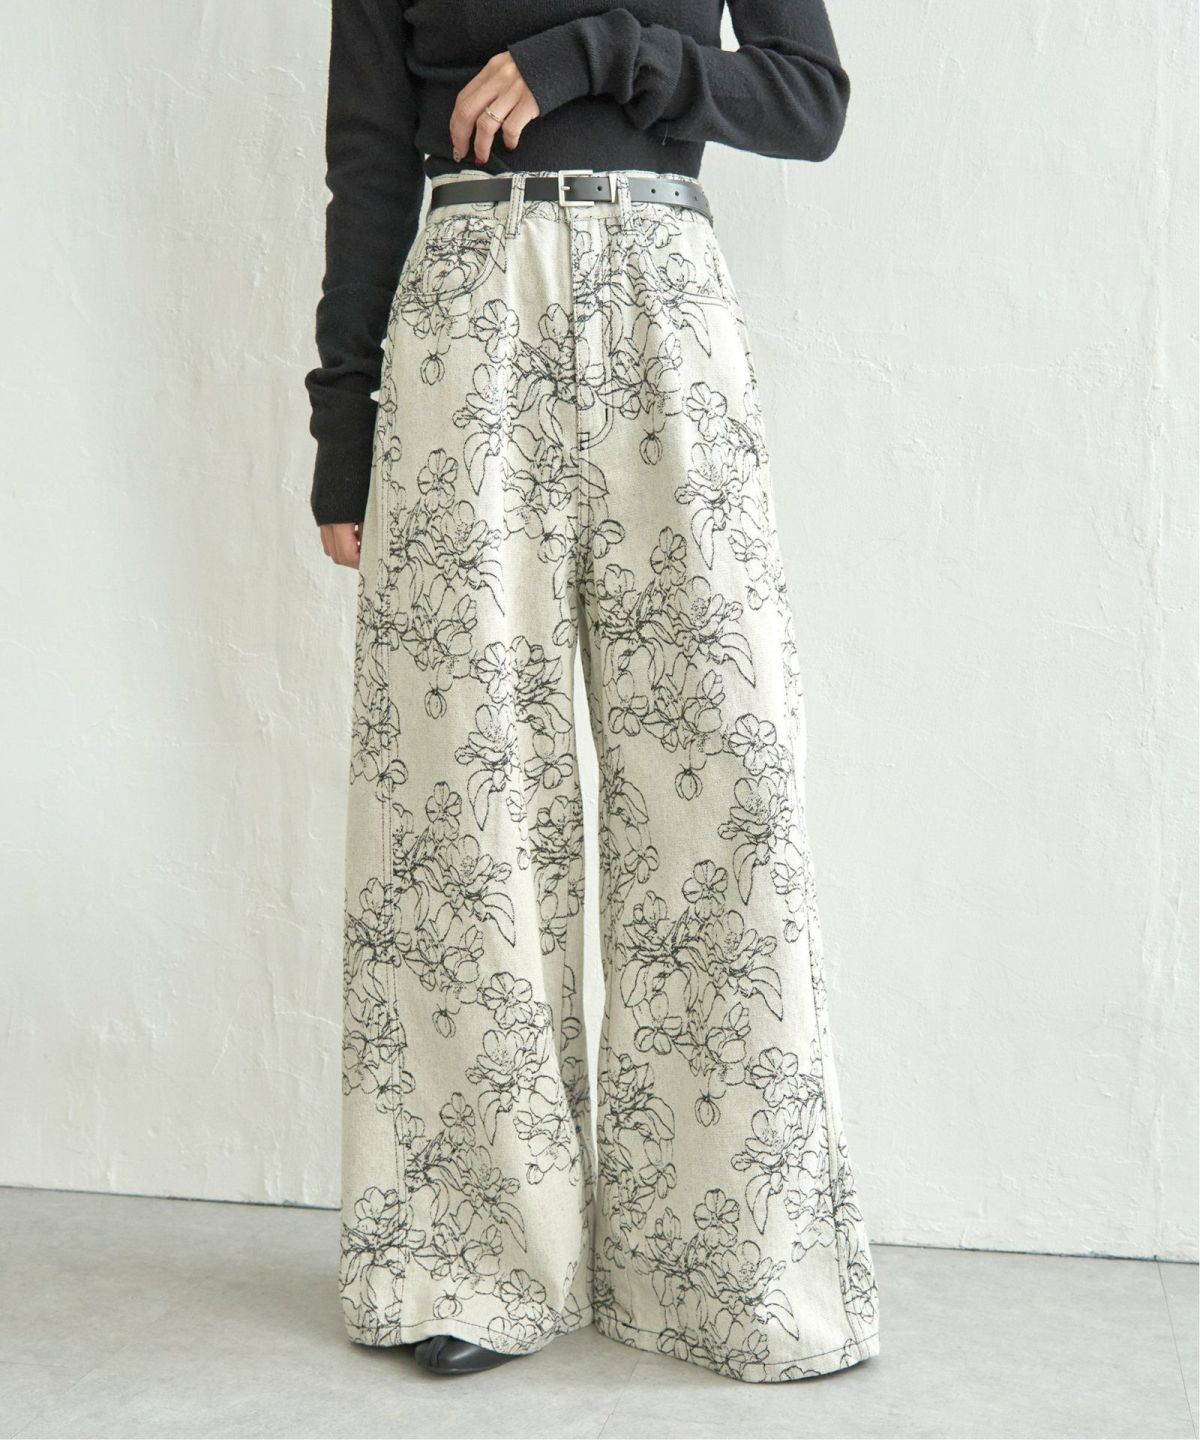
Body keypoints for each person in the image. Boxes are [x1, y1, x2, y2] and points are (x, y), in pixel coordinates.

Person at [304, 0, 879, 1383]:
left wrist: (601, 54)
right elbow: (370, 158)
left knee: (725, 779)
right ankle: (471, 1252)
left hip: (665, 299)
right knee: (460, 800)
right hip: (466, 306)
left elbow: (808, 100)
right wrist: (342, 429)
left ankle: (731, 1256)